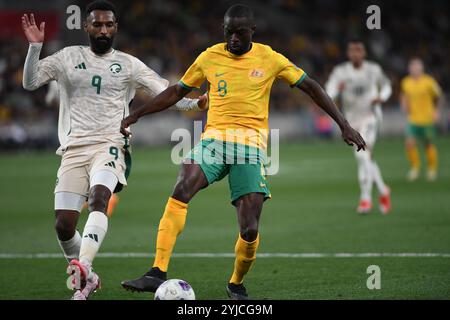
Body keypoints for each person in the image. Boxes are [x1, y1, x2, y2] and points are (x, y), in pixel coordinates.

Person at [120, 4, 365, 300]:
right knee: (182, 186)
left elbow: (310, 87)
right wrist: (138, 114)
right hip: (214, 139)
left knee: (249, 229)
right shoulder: (209, 56)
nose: (233, 38)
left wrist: (344, 125)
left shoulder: (269, 57)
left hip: (250, 145)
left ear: (252, 32)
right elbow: (177, 92)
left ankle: (236, 282)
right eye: (228, 32)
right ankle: (156, 272)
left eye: (239, 33)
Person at [21, 0, 206, 300]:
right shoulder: (68, 57)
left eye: (109, 24)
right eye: (97, 24)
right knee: (63, 224)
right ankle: (89, 277)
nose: (103, 30)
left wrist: (194, 103)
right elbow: (30, 83)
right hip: (73, 148)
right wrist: (34, 48)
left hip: (111, 143)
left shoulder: (129, 64)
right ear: (87, 27)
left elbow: (166, 90)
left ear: (116, 27)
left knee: (99, 199)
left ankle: (84, 267)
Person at [325, 40, 392, 214]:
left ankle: (365, 199)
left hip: (370, 117)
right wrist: (336, 91)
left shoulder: (373, 69)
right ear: (348, 53)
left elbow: (386, 86)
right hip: (351, 122)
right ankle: (383, 190)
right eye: (352, 50)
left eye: (359, 50)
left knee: (362, 155)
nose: (356, 53)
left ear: (364, 53)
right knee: (364, 156)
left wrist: (382, 97)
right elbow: (328, 91)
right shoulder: (341, 72)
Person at [46, 80, 120, 217]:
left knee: (87, 162)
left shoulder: (59, 78)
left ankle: (99, 197)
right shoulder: (67, 75)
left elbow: (50, 101)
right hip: (74, 128)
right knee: (89, 163)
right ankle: (97, 197)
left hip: (76, 129)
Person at [400, 57, 443, 182]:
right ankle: (415, 168)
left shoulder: (429, 82)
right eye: (412, 67)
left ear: (422, 69)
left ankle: (432, 169)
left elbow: (439, 96)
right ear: (409, 69)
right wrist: (403, 104)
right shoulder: (406, 82)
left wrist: (436, 111)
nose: (415, 69)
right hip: (413, 119)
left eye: (417, 67)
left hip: (427, 118)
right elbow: (404, 95)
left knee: (428, 144)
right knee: (409, 143)